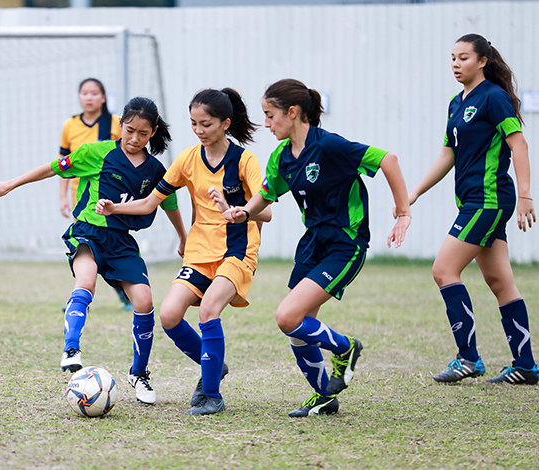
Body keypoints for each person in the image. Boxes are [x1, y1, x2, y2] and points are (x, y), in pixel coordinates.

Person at [225, 79, 411, 417]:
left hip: (345, 242)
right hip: (312, 242)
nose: (266, 124)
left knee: (287, 317)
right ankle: (324, 395)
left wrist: (403, 210)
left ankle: (346, 347)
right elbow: (265, 195)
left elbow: (389, 160)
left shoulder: (329, 147)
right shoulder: (282, 156)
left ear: (292, 113)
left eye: (270, 115)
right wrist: (242, 212)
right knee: (300, 327)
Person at [0, 97, 187, 404]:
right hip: (88, 232)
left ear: (153, 132)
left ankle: (140, 373)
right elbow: (53, 168)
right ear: (120, 124)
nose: (134, 139)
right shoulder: (97, 152)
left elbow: (169, 203)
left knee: (145, 301)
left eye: (143, 133)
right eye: (130, 130)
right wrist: (11, 183)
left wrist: (182, 238)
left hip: (122, 242)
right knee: (86, 282)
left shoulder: (156, 169)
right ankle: (71, 349)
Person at [96, 88, 271, 415]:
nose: (199, 131)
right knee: (169, 314)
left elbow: (267, 211)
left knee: (208, 312)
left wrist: (238, 210)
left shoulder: (245, 160)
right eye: (193, 124)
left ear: (225, 123)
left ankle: (211, 395)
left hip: (237, 250)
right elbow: (150, 202)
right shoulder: (188, 159)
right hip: (199, 252)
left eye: (206, 124)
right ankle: (214, 367)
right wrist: (113, 208)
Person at [408, 34, 538, 385]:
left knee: (443, 269)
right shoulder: (455, 102)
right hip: (473, 201)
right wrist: (414, 193)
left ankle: (468, 359)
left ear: (482, 61)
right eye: (452, 57)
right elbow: (448, 154)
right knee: (500, 281)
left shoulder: (494, 98)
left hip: (489, 200)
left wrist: (525, 195)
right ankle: (525, 366)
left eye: (463, 58)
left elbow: (520, 145)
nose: (455, 63)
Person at [58, 78, 132, 311]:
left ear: (103, 97)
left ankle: (125, 293)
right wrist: (62, 197)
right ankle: (81, 293)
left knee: (109, 244)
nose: (88, 97)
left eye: (94, 93)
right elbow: (62, 165)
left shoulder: (115, 123)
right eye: (84, 93)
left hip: (107, 196)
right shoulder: (70, 125)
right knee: (84, 245)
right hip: (80, 195)